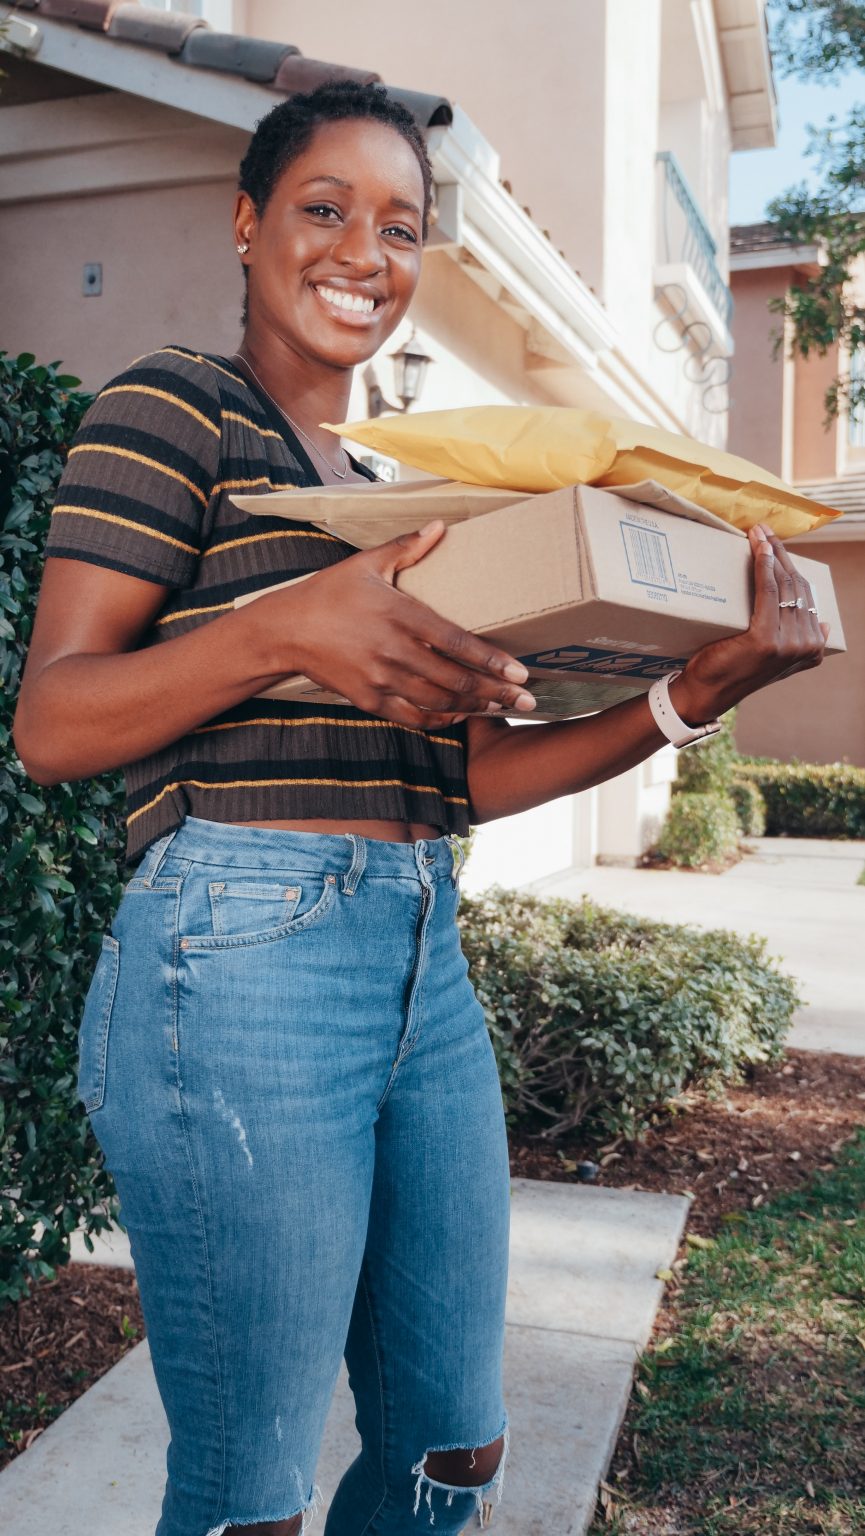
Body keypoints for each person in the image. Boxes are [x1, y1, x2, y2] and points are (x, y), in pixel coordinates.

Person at [12, 80, 829, 1536]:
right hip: (236, 957)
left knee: (449, 1451)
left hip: (417, 959)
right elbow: (54, 723)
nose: (362, 253)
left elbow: (459, 782)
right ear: (249, 222)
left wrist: (692, 697)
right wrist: (277, 630)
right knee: (247, 1489)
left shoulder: (396, 489)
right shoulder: (171, 413)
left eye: (402, 228)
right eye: (323, 209)